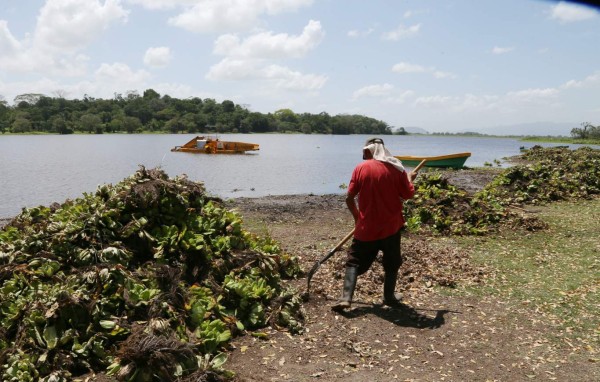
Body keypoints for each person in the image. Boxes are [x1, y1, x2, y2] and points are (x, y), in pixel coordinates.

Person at [331, 137, 417, 312]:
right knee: (392, 262)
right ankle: (389, 297)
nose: (363, 155)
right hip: (391, 227)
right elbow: (408, 194)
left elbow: (349, 198)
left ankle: (346, 298)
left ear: (369, 150)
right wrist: (409, 178)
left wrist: (357, 218)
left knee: (354, 261)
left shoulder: (361, 168)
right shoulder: (397, 169)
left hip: (367, 228)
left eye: (364, 151)